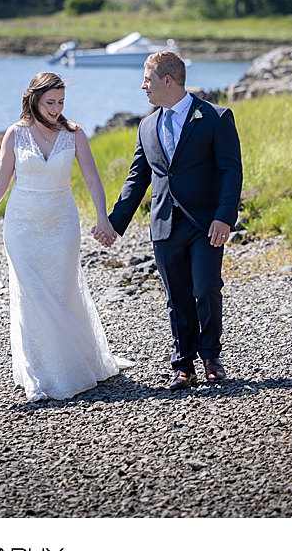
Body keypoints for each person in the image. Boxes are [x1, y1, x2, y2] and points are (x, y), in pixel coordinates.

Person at [0, 72, 128, 402]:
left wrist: (102, 217)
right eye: (50, 102)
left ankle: (74, 363)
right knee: (31, 295)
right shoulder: (15, 134)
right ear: (34, 99)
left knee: (63, 291)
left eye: (61, 103)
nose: (56, 109)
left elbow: (93, 179)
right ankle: (38, 372)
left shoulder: (74, 133)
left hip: (62, 224)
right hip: (22, 226)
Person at [97, 51, 243, 391]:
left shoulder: (215, 117)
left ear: (167, 81)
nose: (142, 86)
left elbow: (231, 172)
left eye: (147, 79)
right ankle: (183, 366)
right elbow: (138, 178)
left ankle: (211, 356)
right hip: (164, 224)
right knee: (175, 297)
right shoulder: (147, 125)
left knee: (207, 288)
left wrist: (225, 217)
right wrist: (114, 223)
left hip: (206, 223)